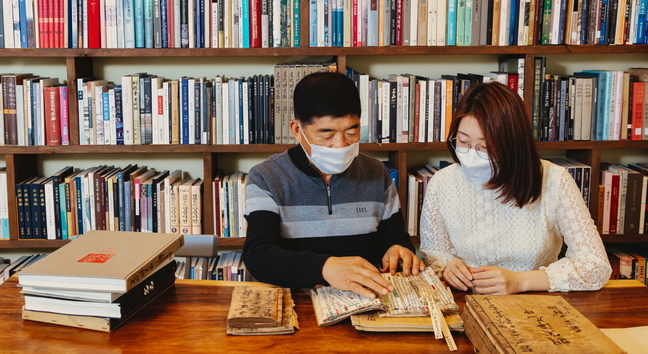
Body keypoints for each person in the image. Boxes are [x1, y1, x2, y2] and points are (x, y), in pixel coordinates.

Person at [243, 71, 423, 299]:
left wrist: (399, 251)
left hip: (368, 300)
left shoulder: (376, 173)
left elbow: (397, 241)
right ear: (298, 130)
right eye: (326, 134)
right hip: (299, 302)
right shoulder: (267, 176)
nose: (340, 145)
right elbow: (259, 255)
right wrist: (325, 268)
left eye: (352, 131)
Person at [420, 81, 611, 294]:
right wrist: (447, 268)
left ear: (512, 144)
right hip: (469, 302)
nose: (471, 155)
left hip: (536, 303)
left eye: (484, 147)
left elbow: (596, 267)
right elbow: (435, 254)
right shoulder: (443, 183)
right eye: (463, 142)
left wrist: (520, 281)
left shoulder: (554, 180)